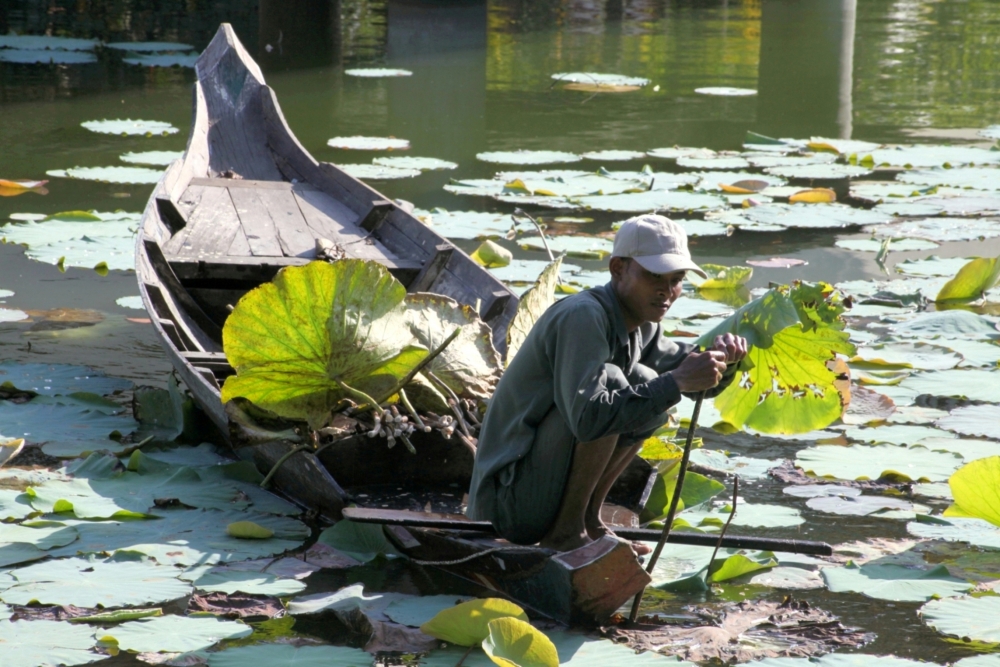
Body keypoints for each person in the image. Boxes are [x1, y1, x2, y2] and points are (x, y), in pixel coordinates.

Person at [466, 214, 748, 554]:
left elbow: (695, 379)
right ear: (618, 269)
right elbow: (588, 421)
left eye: (676, 280)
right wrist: (676, 381)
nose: (667, 291)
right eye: (654, 276)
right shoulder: (583, 315)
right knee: (622, 386)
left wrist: (725, 359)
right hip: (506, 505)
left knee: (650, 384)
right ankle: (566, 533)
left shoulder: (643, 323)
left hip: (537, 493)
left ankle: (587, 520)